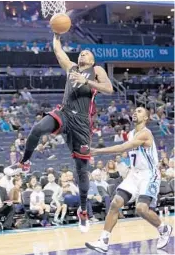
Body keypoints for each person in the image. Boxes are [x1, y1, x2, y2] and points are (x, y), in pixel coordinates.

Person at [15, 33, 113, 233]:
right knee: (37, 129)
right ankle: (25, 162)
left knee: (81, 170)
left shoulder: (96, 70)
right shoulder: (72, 68)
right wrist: (56, 35)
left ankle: (83, 211)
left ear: (92, 59)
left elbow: (109, 89)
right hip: (65, 112)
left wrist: (87, 82)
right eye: (81, 53)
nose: (82, 55)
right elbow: (59, 53)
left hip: (82, 123)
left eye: (86, 53)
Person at [85, 107, 172, 252]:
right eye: (134, 111)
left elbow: (123, 147)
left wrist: (97, 151)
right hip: (134, 174)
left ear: (146, 118)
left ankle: (164, 229)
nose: (134, 112)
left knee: (141, 208)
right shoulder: (131, 133)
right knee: (115, 203)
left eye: (139, 111)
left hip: (149, 174)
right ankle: (104, 241)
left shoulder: (145, 134)